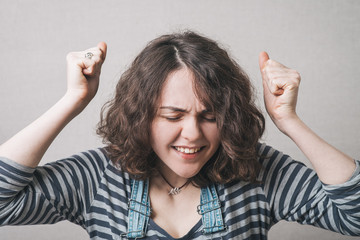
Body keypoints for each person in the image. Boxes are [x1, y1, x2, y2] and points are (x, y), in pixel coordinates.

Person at [0, 31, 359, 240]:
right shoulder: (99, 176)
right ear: (142, 116)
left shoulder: (256, 170)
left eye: (210, 116)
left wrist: (289, 120)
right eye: (173, 115)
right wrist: (71, 101)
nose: (192, 134)